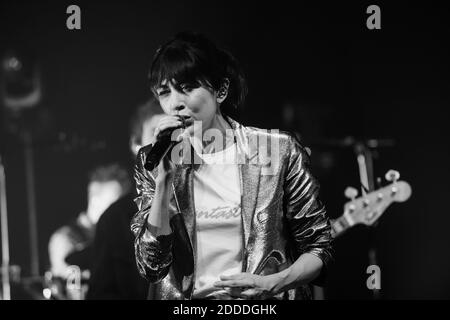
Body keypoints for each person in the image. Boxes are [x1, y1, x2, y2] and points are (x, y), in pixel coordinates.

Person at [131, 31, 333, 300]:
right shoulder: (153, 160)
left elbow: (319, 247)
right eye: (164, 92)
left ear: (221, 90)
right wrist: (164, 179)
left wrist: (272, 284)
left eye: (187, 87)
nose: (175, 103)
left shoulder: (278, 150)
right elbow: (151, 266)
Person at [86, 98, 164, 299]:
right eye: (159, 133)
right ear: (136, 144)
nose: (168, 142)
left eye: (176, 133)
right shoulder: (114, 220)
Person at [47, 163, 131, 299]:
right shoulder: (64, 239)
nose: (119, 211)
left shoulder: (115, 236)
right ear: (95, 201)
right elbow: (70, 291)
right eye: (114, 204)